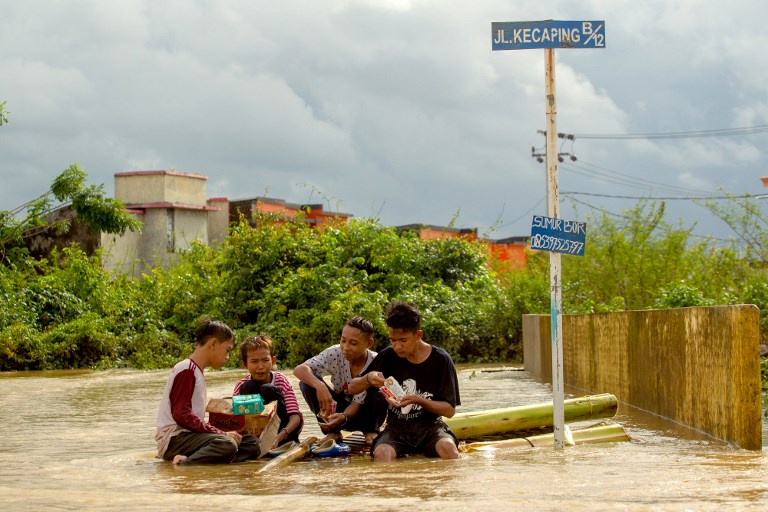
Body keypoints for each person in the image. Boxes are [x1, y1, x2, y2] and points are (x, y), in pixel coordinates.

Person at [348, 301, 461, 462]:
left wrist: (418, 400)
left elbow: (449, 410)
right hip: (396, 429)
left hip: (430, 428)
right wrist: (368, 378)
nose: (397, 346)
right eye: (393, 340)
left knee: (448, 449)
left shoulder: (441, 360)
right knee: (382, 453)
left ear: (418, 335)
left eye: (403, 340)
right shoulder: (388, 356)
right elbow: (352, 388)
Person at [155, 318, 261, 465]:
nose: (227, 357)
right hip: (175, 440)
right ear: (213, 344)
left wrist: (221, 432)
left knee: (251, 444)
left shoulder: (195, 371)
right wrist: (221, 433)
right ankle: (185, 463)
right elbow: (181, 415)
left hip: (189, 437)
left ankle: (204, 458)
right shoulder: (187, 370)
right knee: (227, 444)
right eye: (227, 350)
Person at [293, 316, 387, 445]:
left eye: (353, 343)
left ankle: (371, 431)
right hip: (339, 412)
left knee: (379, 392)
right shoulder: (335, 353)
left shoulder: (376, 360)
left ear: (369, 343)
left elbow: (357, 403)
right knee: (306, 383)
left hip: (367, 413)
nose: (346, 347)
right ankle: (334, 431)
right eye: (343, 340)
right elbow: (299, 369)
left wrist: (344, 416)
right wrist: (320, 386)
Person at [233, 334, 303, 447]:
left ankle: (283, 440)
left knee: (267, 389)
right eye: (254, 361)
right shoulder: (241, 385)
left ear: (273, 360)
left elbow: (295, 417)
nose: (260, 366)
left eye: (265, 360)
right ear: (245, 364)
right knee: (248, 386)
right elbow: (235, 419)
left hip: (283, 432)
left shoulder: (281, 381)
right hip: (254, 434)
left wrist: (281, 435)